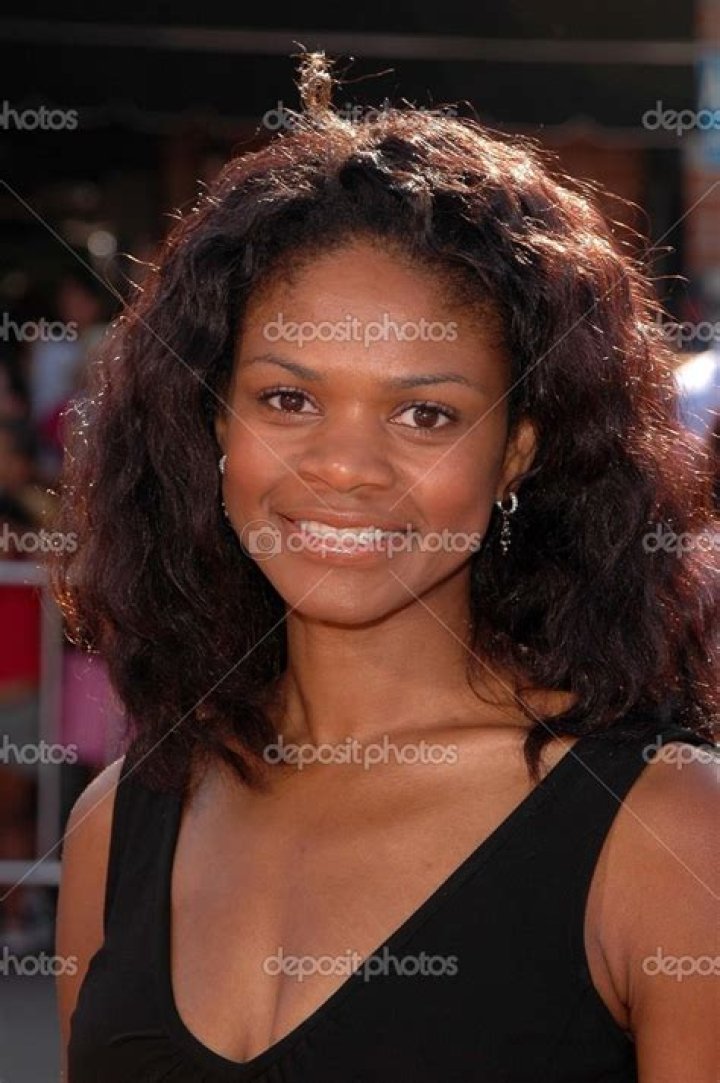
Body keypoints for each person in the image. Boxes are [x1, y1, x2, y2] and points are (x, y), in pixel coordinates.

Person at [51, 54, 718, 1082]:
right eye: (287, 399)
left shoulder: (670, 833)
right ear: (213, 421)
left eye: (426, 414)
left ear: (518, 452)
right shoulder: (117, 823)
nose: (345, 467)